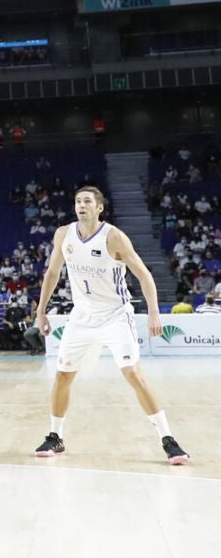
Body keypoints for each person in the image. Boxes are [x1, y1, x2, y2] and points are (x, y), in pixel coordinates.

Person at [32, 186, 190, 465]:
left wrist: (154, 312)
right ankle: (55, 437)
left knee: (133, 374)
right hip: (81, 316)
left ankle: (169, 440)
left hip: (115, 315)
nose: (81, 205)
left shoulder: (114, 237)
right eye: (78, 200)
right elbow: (53, 272)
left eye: (87, 201)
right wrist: (41, 311)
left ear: (99, 208)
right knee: (63, 375)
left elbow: (144, 275)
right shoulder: (63, 234)